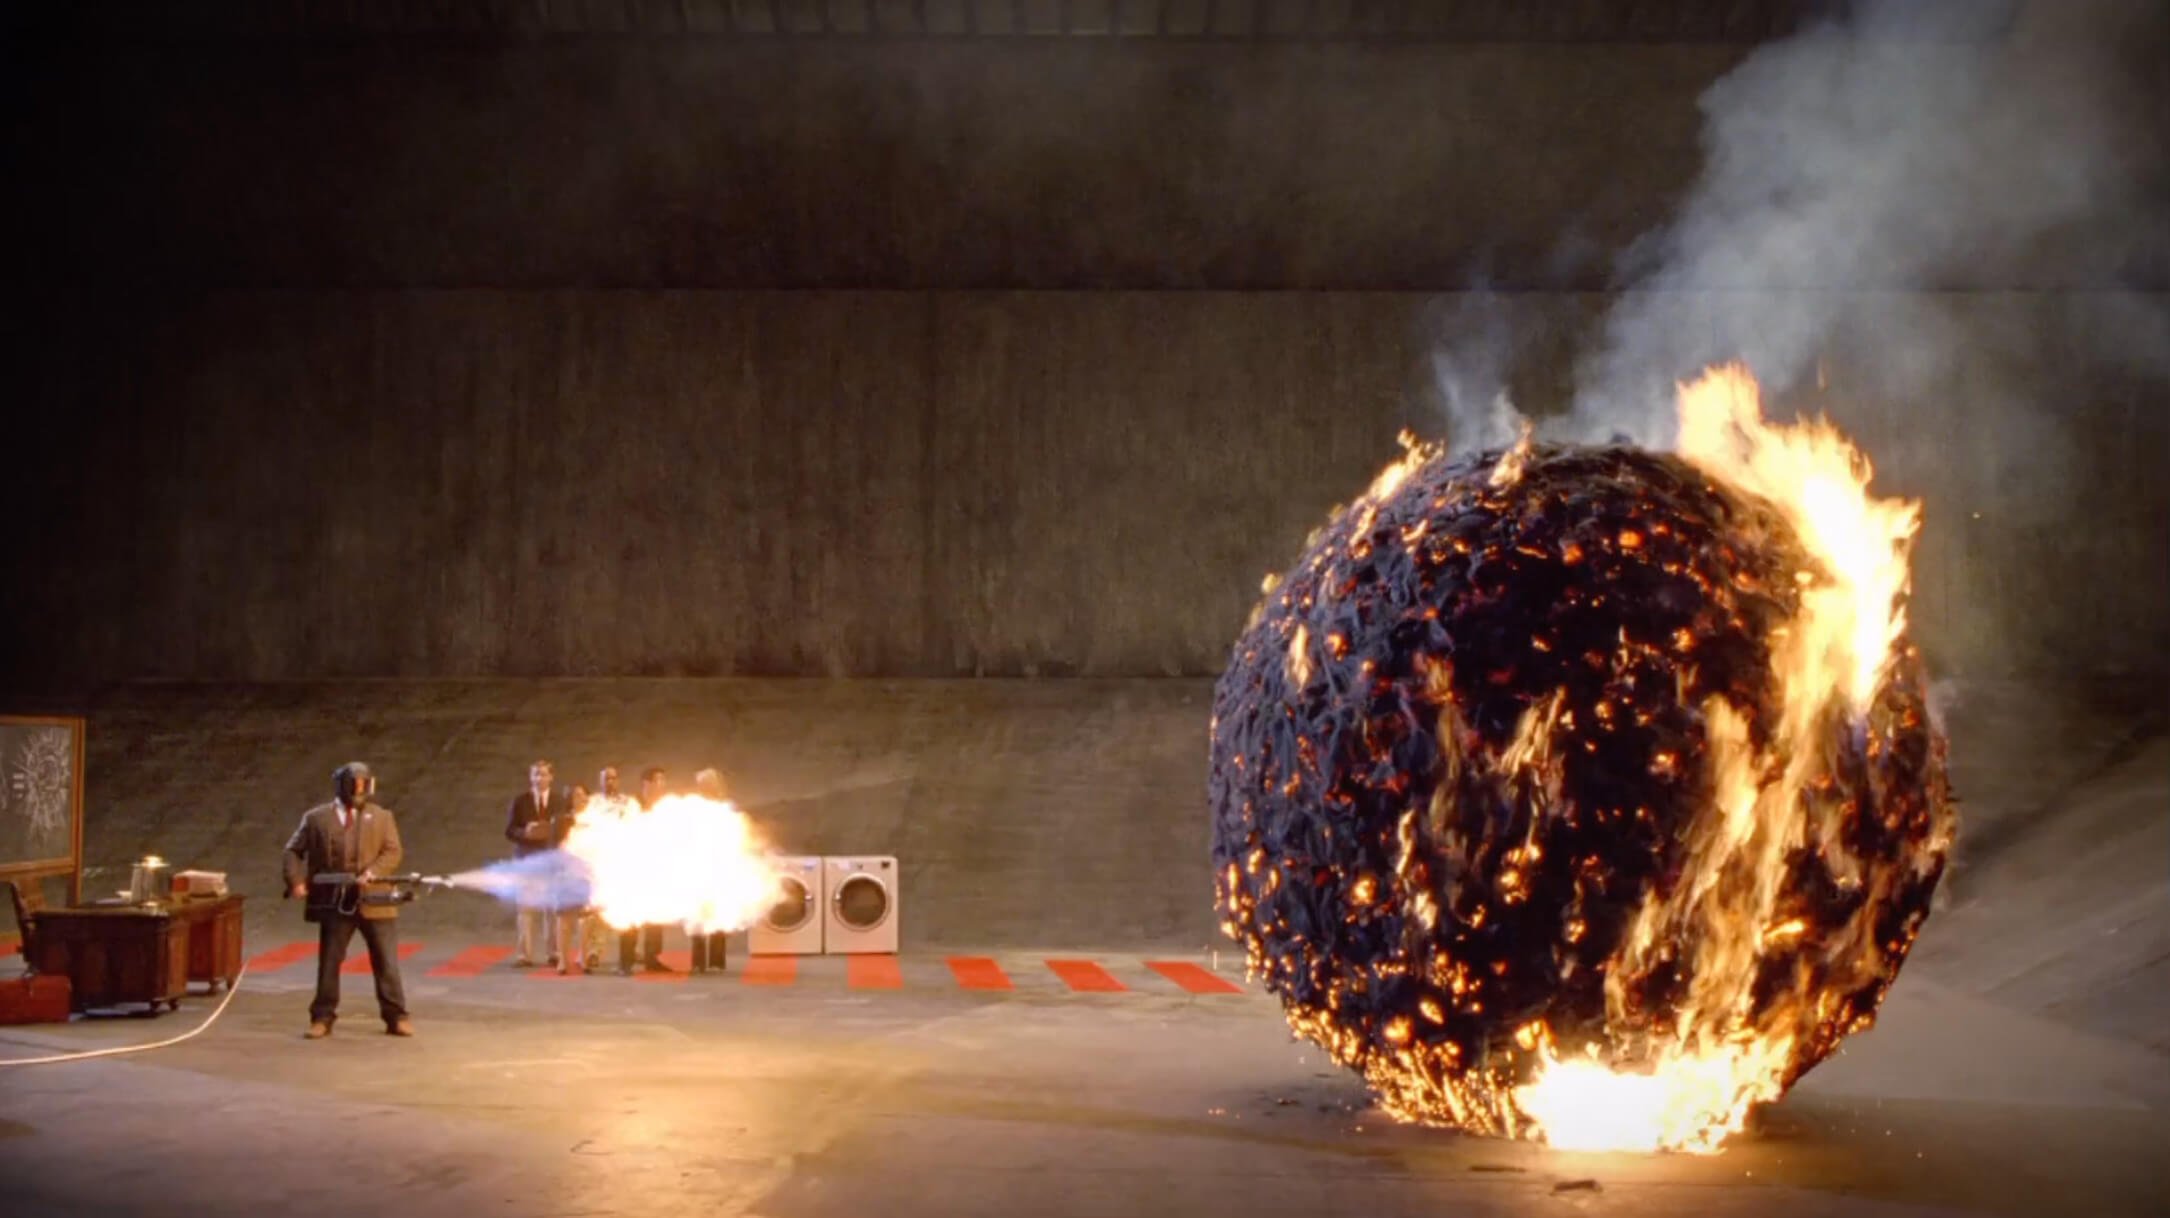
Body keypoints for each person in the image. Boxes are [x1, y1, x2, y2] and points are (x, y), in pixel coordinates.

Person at [282, 761, 412, 1039]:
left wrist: (373, 873)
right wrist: (296, 881)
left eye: (364, 785)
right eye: (354, 785)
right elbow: (292, 850)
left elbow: (393, 851)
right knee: (329, 962)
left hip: (375, 899)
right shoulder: (316, 818)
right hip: (335, 901)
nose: (359, 790)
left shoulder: (382, 817)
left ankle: (396, 1016)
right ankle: (322, 1016)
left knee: (387, 962)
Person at [504, 759, 566, 967]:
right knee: (526, 910)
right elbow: (509, 830)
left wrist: (550, 831)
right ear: (530, 777)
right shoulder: (520, 801)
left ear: (551, 777)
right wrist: (525, 832)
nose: (539, 778)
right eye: (536, 774)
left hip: (551, 861)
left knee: (552, 910)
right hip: (527, 862)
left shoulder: (559, 801)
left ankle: (554, 952)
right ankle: (525, 954)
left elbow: (566, 828)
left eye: (543, 774)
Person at [617, 766, 671, 975]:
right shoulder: (632, 805)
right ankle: (626, 961)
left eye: (664, 780)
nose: (662, 785)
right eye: (658, 780)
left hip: (657, 869)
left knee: (655, 916)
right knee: (630, 916)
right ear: (646, 783)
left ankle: (652, 958)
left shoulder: (666, 806)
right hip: (633, 869)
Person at [689, 767, 731, 975]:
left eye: (707, 784)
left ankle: (716, 961)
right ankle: (698, 961)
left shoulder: (725, 807)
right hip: (697, 867)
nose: (703, 788)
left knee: (718, 914)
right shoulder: (692, 807)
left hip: (719, 867)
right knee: (697, 917)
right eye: (701, 784)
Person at [551, 783, 592, 975]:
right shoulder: (561, 820)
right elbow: (554, 846)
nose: (581, 799)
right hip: (566, 875)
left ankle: (584, 958)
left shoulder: (595, 820)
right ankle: (562, 960)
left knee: (586, 919)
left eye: (583, 795)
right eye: (576, 795)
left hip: (587, 874)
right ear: (570, 799)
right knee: (564, 919)